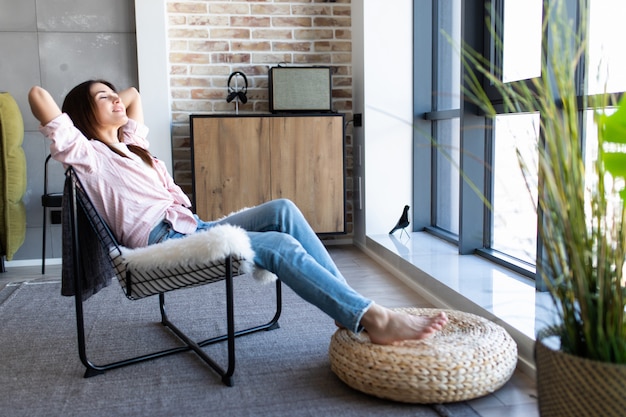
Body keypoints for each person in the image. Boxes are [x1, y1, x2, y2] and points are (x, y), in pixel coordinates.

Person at [28, 80, 448, 345]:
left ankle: (349, 309)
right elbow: (38, 97)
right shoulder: (86, 155)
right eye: (103, 98)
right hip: (162, 242)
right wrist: (80, 108)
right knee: (278, 245)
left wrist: (113, 97)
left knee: (282, 209)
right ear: (83, 115)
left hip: (192, 226)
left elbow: (134, 94)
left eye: (112, 92)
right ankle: (371, 317)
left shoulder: (130, 143)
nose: (117, 99)